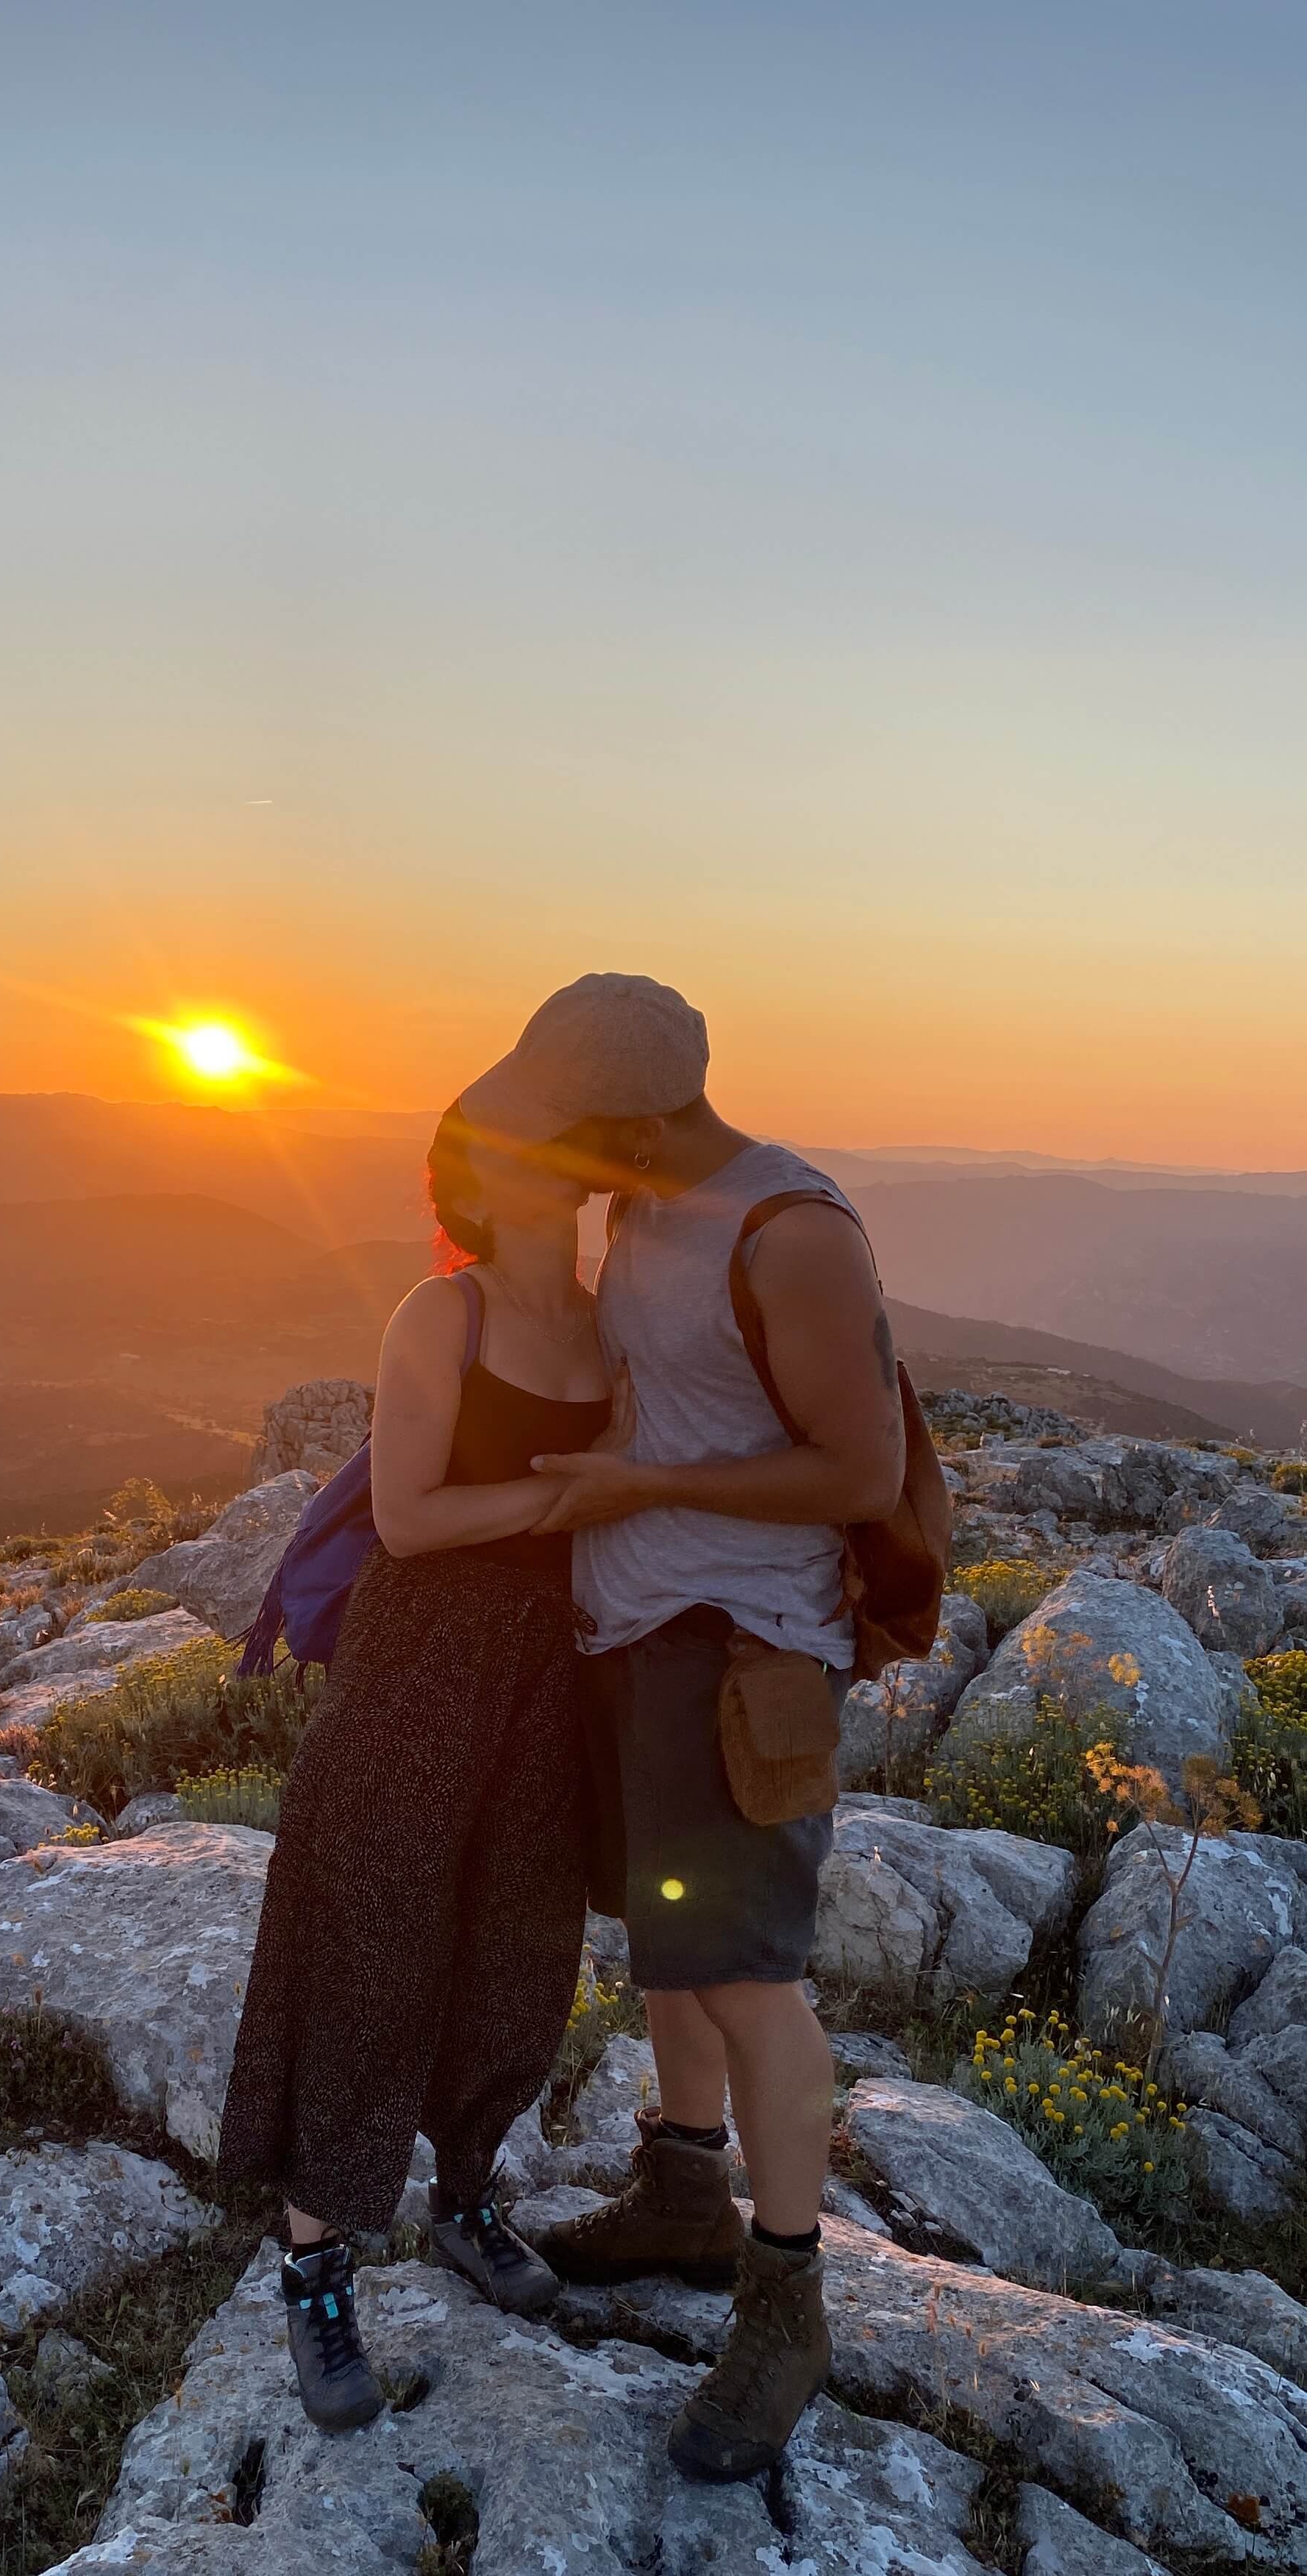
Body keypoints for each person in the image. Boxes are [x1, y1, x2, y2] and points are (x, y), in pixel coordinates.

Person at [455, 973, 907, 2483]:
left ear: (639, 1116)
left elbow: (856, 1468)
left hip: (740, 1656)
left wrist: (640, 1490)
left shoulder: (797, 1236)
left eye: (562, 1126)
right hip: (640, 1639)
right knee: (669, 1945)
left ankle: (788, 2303)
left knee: (745, 1978)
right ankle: (683, 2193)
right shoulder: (645, 1207)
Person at [217, 1100, 613, 2430]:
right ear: (479, 1192)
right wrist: (562, 1498)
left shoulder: (612, 1321)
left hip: (552, 1676)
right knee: (371, 1939)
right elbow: (409, 1513)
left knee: (516, 1942)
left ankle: (463, 2198)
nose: (553, 1180)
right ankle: (317, 2267)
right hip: (423, 1660)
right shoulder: (441, 1319)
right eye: (519, 1163)